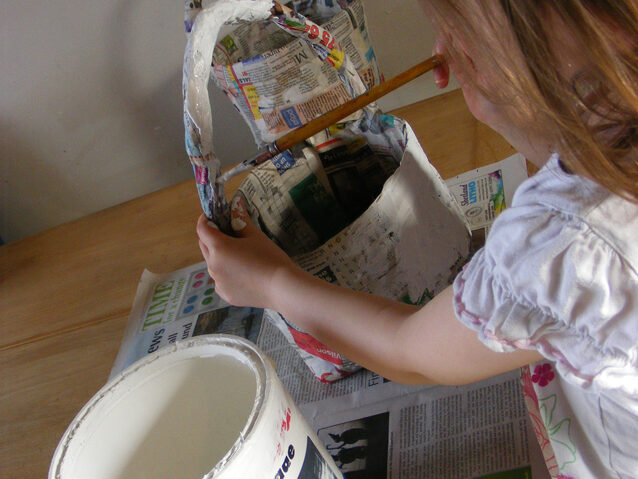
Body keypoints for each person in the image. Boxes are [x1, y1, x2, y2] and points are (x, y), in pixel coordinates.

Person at [197, 1, 638, 477]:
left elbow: (412, 353)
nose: (443, 58)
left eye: (462, 34)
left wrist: (271, 283)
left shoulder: (567, 244)